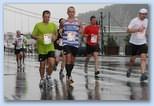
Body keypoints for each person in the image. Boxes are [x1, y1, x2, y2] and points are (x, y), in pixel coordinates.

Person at [32, 10, 58, 88]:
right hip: (41, 48)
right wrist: (38, 37)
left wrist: (55, 37)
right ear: (43, 17)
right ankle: (42, 79)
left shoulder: (53, 25)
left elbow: (56, 34)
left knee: (52, 63)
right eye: (45, 17)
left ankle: (48, 76)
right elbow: (32, 35)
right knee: (42, 65)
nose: (47, 18)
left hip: (50, 47)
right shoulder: (38, 25)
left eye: (48, 17)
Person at [126, 8, 148, 82]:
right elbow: (128, 30)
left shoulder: (146, 20)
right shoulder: (134, 20)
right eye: (142, 14)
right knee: (132, 60)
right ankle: (129, 69)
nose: (144, 16)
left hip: (143, 42)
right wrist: (137, 30)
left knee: (143, 58)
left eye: (145, 14)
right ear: (139, 14)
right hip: (134, 43)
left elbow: (144, 30)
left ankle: (143, 74)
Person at [62, 6, 82, 84]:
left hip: (75, 44)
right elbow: (60, 30)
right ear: (67, 12)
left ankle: (68, 74)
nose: (71, 13)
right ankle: (69, 76)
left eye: (73, 12)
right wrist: (61, 30)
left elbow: (81, 30)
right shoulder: (64, 22)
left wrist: (80, 30)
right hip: (66, 43)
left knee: (72, 61)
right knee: (68, 57)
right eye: (70, 11)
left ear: (74, 13)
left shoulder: (78, 22)